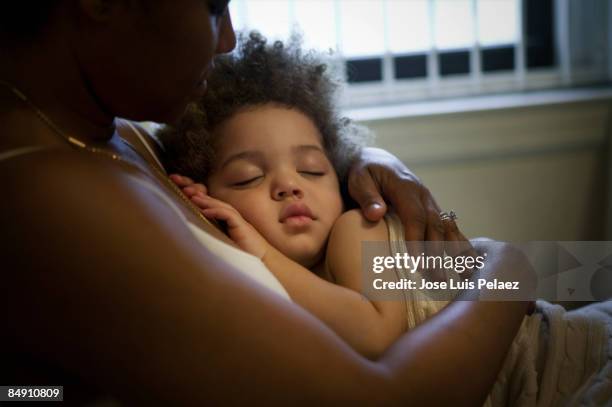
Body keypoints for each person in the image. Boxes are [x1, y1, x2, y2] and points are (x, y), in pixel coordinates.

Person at [0, 1, 538, 405]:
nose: (228, 39)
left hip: (522, 330)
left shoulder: (115, 133)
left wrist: (361, 160)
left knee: (591, 278)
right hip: (508, 336)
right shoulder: (53, 204)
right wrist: (513, 269)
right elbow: (384, 392)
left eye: (310, 168)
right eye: (213, 6)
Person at [160, 33, 612, 406]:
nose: (288, 185)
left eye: (312, 170)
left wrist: (259, 253)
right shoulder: (259, 296)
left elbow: (375, 333)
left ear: (336, 178)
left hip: (563, 356)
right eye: (249, 177)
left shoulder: (353, 230)